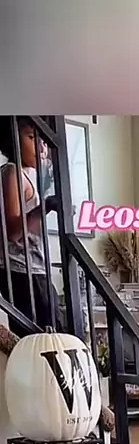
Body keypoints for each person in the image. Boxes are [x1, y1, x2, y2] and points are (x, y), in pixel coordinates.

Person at [0, 116, 65, 336]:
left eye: (44, 141)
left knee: (54, 333)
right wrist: (44, 207)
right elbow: (12, 231)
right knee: (47, 339)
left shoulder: (28, 175)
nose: (41, 147)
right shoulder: (12, 172)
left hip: (33, 270)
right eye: (31, 137)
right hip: (22, 272)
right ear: (12, 138)